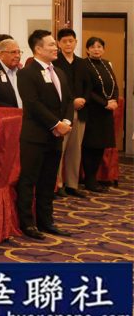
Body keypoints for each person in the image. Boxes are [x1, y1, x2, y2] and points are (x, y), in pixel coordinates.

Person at [16, 30, 74, 240]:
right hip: (35, 136)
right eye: (51, 44)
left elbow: (68, 100)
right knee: (29, 179)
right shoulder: (27, 73)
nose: (55, 47)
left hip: (56, 136)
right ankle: (27, 223)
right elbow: (32, 104)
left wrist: (66, 122)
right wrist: (55, 124)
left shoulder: (59, 72)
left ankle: (46, 221)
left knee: (48, 180)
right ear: (38, 48)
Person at [53, 28, 91, 198]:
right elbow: (57, 88)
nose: (68, 44)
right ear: (58, 43)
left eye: (71, 41)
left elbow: (89, 86)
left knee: (75, 150)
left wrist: (83, 100)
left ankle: (72, 185)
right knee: (60, 149)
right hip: (62, 113)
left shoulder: (83, 63)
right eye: (64, 41)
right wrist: (72, 101)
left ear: (76, 42)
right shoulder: (55, 62)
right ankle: (58, 184)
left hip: (81, 111)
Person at [82, 37, 118, 193]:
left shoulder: (107, 64)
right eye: (92, 47)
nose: (96, 49)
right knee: (90, 145)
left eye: (99, 47)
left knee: (101, 146)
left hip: (106, 112)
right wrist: (105, 103)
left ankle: (94, 178)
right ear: (87, 49)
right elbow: (88, 90)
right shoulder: (84, 65)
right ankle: (89, 180)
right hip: (92, 111)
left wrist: (114, 100)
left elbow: (114, 85)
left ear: (103, 49)